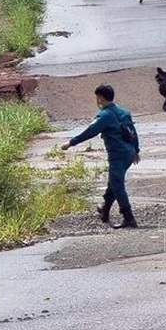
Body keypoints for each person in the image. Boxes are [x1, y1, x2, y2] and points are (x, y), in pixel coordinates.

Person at [61, 84, 140, 228]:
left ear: (100, 98)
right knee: (114, 182)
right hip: (128, 153)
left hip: (117, 155)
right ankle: (104, 210)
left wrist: (71, 143)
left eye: (97, 97)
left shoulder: (104, 116)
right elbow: (133, 132)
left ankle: (128, 217)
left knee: (117, 185)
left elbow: (90, 131)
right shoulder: (124, 112)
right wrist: (136, 150)